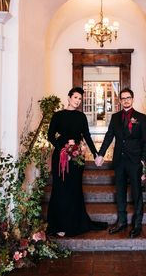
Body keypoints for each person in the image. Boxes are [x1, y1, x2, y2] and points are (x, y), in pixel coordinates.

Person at [47, 86, 107, 237]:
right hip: (61, 157)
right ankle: (59, 225)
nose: (78, 101)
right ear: (68, 97)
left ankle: (74, 223)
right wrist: (64, 148)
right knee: (60, 190)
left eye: (80, 99)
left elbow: (86, 136)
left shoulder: (81, 117)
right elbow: (50, 136)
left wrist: (96, 153)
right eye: (75, 98)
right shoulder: (58, 115)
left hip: (76, 158)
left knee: (74, 189)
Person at [98, 88, 146, 238]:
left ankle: (137, 224)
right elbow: (109, 137)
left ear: (132, 99)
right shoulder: (115, 118)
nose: (126, 100)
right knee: (120, 192)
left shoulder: (141, 117)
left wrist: (143, 160)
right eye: (123, 98)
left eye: (128, 97)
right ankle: (121, 222)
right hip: (119, 161)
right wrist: (101, 154)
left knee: (136, 194)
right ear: (120, 101)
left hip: (135, 162)